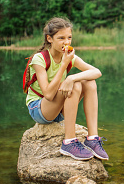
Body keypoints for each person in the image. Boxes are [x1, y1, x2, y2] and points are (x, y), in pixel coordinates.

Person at [25, 17, 108, 161]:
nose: (67, 42)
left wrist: (70, 78)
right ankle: (69, 142)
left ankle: (93, 139)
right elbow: (49, 95)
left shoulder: (69, 56)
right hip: (39, 108)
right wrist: (64, 65)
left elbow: (97, 72)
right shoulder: (39, 59)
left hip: (58, 110)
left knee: (89, 82)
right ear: (49, 39)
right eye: (61, 38)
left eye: (69, 37)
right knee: (76, 84)